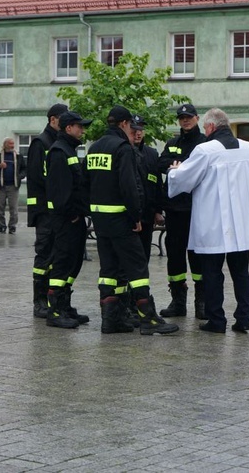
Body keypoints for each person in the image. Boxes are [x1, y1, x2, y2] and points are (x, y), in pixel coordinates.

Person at [84, 105, 179, 336]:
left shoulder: (94, 147)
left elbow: (86, 183)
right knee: (137, 267)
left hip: (101, 220)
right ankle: (148, 319)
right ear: (124, 124)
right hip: (121, 219)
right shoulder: (122, 148)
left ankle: (111, 320)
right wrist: (136, 216)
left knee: (109, 269)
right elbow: (129, 186)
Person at [166, 108, 249, 334]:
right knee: (241, 273)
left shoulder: (205, 150)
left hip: (213, 224)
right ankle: (244, 318)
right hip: (241, 226)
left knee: (212, 274)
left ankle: (217, 320)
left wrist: (174, 170)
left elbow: (184, 179)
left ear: (209, 127)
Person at [27, 103, 76, 326]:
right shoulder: (41, 143)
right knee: (44, 255)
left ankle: (56, 300)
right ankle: (39, 301)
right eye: (63, 119)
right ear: (53, 120)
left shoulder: (60, 143)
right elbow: (39, 178)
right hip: (45, 210)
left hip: (56, 210)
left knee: (57, 255)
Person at [157, 104, 207, 320]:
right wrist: (175, 165)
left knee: (198, 257)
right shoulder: (173, 143)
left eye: (188, 117)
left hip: (197, 209)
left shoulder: (205, 143)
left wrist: (181, 167)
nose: (185, 121)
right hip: (175, 209)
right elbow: (161, 163)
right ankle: (178, 301)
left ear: (197, 118)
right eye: (181, 118)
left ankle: (202, 302)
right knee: (175, 257)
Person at [129, 114, 164, 261]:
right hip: (129, 217)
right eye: (134, 129)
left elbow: (157, 184)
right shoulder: (123, 151)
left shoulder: (151, 154)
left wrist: (158, 211)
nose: (138, 133)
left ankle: (141, 283)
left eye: (141, 129)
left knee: (144, 255)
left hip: (147, 216)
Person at [0, 137, 26, 234]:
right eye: (10, 144)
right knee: (0, 207)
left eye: (13, 144)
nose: (12, 146)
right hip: (1, 186)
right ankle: (1, 226)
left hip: (13, 186)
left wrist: (19, 176)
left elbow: (24, 169)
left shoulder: (18, 156)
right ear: (5, 144)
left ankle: (12, 227)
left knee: (13, 208)